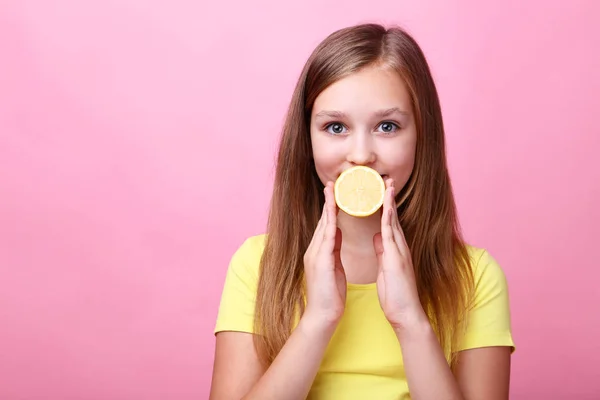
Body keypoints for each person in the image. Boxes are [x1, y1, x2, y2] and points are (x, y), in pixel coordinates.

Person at [209, 23, 515, 400]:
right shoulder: (257, 266)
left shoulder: (476, 277)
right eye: (335, 127)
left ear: (422, 136)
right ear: (307, 140)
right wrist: (317, 320)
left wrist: (410, 322)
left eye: (387, 126)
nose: (360, 155)